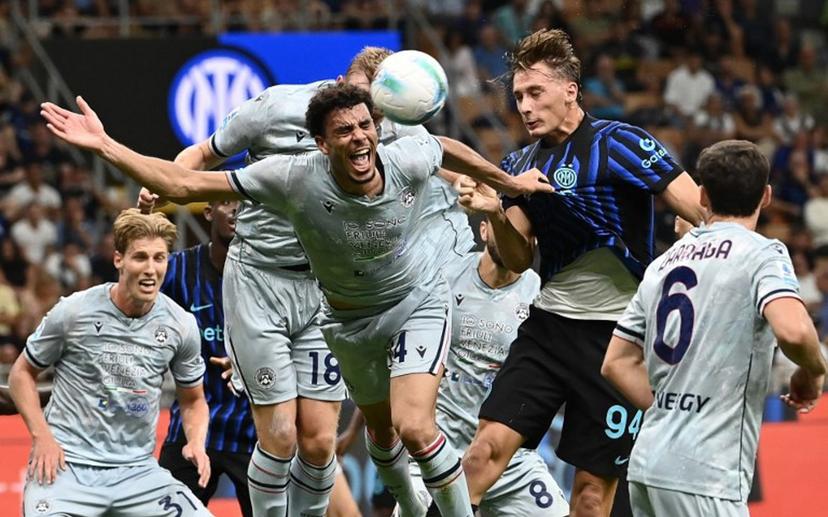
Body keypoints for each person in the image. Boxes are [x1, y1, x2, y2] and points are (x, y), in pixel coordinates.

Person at [40, 83, 552, 517]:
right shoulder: (292, 175)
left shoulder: (404, 153)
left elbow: (443, 146)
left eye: (365, 126)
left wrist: (510, 184)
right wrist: (107, 146)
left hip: (409, 303)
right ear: (321, 145)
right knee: (285, 436)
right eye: (344, 131)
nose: (360, 138)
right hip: (329, 312)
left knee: (390, 430)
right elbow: (185, 179)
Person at [141, 46, 476, 517]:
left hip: (324, 290)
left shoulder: (387, 122)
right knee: (279, 436)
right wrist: (164, 180)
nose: (367, 125)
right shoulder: (273, 108)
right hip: (260, 278)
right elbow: (203, 152)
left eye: (376, 115)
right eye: (361, 102)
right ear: (341, 82)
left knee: (319, 443)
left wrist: (482, 184)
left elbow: (435, 157)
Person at [456, 29, 704, 517]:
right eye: (519, 97)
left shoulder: (621, 143)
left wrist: (696, 234)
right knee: (482, 456)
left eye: (535, 93)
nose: (524, 106)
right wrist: (494, 212)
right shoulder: (519, 165)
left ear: (570, 89)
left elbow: (696, 207)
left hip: (619, 343)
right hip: (547, 332)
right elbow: (516, 258)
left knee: (591, 498)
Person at [601, 139, 827, 516]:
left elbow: (616, 363)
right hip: (706, 473)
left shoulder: (663, 264)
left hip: (648, 466)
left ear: (702, 196)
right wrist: (814, 371)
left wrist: (673, 414)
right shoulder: (761, 253)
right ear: (767, 196)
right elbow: (794, 332)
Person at [8, 208, 212, 516]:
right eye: (140, 257)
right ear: (118, 259)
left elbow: (194, 400)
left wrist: (196, 441)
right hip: (66, 468)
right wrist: (42, 438)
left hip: (138, 473)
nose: (151, 269)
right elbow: (21, 373)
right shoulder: (74, 312)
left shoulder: (180, 325)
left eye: (160, 258)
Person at [410, 210, 569, 517]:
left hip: (510, 461)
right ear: (484, 230)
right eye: (504, 229)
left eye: (525, 235)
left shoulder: (542, 296)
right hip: (437, 453)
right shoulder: (446, 276)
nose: (515, 240)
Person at [154, 199, 254, 517]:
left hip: (255, 433)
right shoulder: (178, 270)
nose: (237, 211)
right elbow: (135, 296)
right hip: (191, 429)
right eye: (227, 204)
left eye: (245, 204)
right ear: (209, 212)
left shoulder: (269, 275)